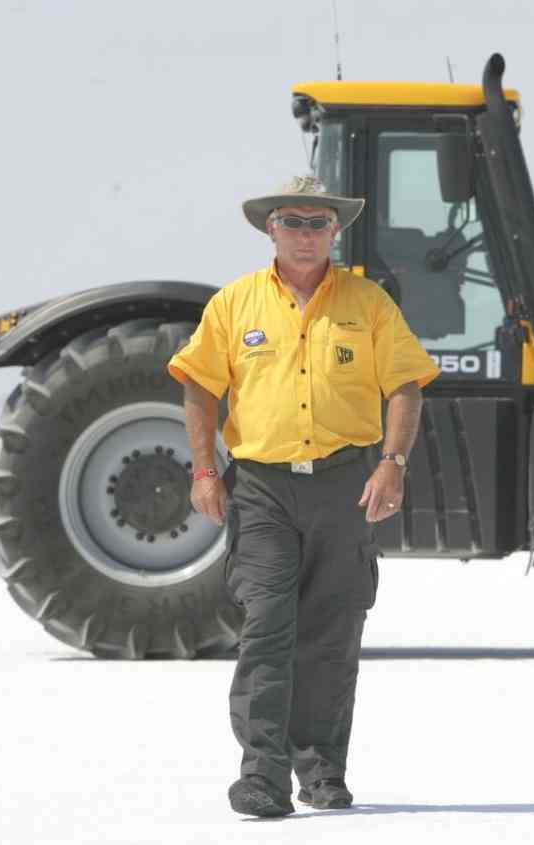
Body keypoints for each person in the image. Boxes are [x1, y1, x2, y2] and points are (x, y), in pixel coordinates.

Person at [167, 174, 440, 818]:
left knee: (332, 630)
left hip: (346, 484)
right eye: (293, 222)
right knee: (266, 625)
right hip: (261, 488)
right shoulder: (234, 305)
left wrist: (392, 463)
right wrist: (204, 472)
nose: (306, 234)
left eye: (318, 223)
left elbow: (406, 385)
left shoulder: (369, 304)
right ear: (271, 229)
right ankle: (261, 773)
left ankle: (321, 770)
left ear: (335, 231)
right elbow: (200, 388)